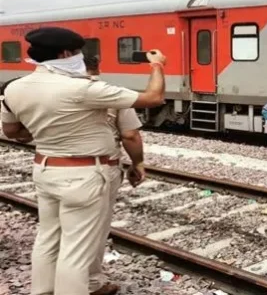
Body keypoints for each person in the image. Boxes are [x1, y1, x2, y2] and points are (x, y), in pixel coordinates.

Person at [1, 27, 167, 295]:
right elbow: (154, 98)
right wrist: (157, 65)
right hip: (85, 175)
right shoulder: (83, 88)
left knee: (47, 239)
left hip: (45, 169)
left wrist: (49, 128)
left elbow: (11, 132)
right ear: (66, 54)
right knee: (76, 250)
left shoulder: (15, 88)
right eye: (78, 52)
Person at [83, 55, 146, 293]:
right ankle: (90, 284)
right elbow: (130, 135)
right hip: (97, 169)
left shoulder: (41, 92)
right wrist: (137, 163)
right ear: (97, 67)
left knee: (52, 234)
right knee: (93, 230)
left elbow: (16, 132)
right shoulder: (110, 93)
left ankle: (47, 286)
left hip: (49, 168)